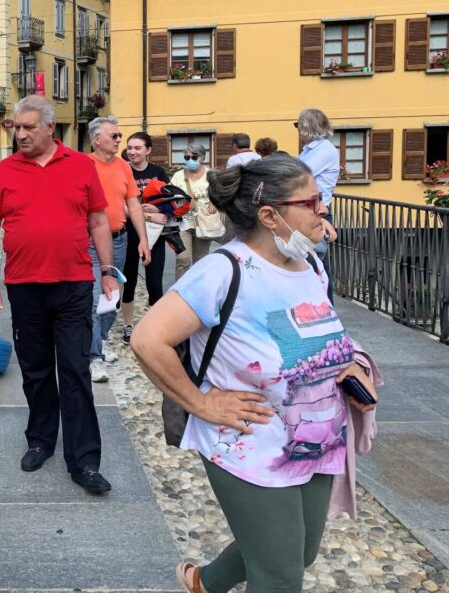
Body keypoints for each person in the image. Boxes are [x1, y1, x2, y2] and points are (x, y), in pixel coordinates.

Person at [131, 155, 378, 593]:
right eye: (313, 201)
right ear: (270, 215)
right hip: (249, 441)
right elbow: (148, 340)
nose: (324, 209)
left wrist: (348, 362)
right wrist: (201, 402)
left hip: (315, 435)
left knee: (299, 551)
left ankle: (203, 582)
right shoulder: (221, 271)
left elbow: (314, 330)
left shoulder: (312, 265)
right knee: (280, 574)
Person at [0, 95, 119, 495]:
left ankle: (85, 461)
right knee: (36, 370)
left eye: (27, 128)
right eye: (16, 128)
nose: (19, 134)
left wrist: (107, 272)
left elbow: (97, 221)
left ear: (49, 128)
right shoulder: (5, 171)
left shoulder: (80, 166)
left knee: (75, 371)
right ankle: (40, 440)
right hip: (24, 286)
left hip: (74, 284)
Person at [87, 117, 150, 380]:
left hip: (120, 239)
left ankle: (99, 342)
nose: (119, 140)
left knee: (112, 299)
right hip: (89, 242)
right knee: (91, 299)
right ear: (96, 139)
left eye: (119, 135)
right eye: (114, 135)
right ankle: (93, 357)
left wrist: (143, 239)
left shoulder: (124, 167)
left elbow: (133, 204)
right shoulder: (82, 165)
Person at [120, 132, 170, 346]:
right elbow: (120, 203)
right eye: (129, 148)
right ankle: (128, 325)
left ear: (148, 150)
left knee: (154, 282)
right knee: (129, 281)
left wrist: (160, 210)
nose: (132, 152)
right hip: (128, 233)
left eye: (137, 148)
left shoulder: (158, 172)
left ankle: (156, 326)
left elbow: (171, 201)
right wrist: (147, 213)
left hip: (154, 234)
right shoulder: (122, 170)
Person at [297, 108, 340, 304]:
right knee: (316, 266)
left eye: (299, 126)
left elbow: (298, 175)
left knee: (317, 267)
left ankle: (325, 310)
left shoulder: (324, 150)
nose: (298, 130)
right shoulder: (310, 150)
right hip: (308, 210)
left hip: (317, 212)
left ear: (308, 128)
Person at [171, 143, 217, 280]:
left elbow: (220, 193)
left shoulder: (211, 175)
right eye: (187, 157)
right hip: (182, 223)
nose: (190, 160)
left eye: (194, 157)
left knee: (201, 260)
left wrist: (214, 202)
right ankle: (180, 291)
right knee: (182, 259)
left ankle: (199, 290)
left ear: (202, 158)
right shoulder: (178, 176)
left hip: (203, 222)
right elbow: (170, 195)